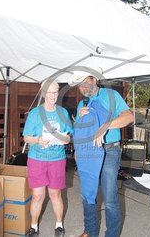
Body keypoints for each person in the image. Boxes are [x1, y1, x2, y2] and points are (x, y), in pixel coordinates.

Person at [71, 67, 134, 237]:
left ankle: (111, 234)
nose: (82, 88)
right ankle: (90, 232)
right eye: (79, 86)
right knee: (87, 194)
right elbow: (80, 131)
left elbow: (129, 117)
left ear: (95, 80)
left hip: (109, 151)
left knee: (110, 196)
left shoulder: (110, 96)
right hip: (87, 152)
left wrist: (105, 126)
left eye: (85, 83)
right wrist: (78, 148)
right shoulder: (81, 104)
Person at [23, 79, 72, 237]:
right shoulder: (35, 113)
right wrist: (37, 140)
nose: (53, 95)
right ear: (44, 94)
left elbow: (69, 135)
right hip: (37, 159)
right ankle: (34, 227)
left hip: (57, 159)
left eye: (56, 92)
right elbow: (26, 138)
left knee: (55, 194)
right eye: (50, 92)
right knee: (38, 196)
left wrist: (67, 139)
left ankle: (59, 225)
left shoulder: (62, 113)